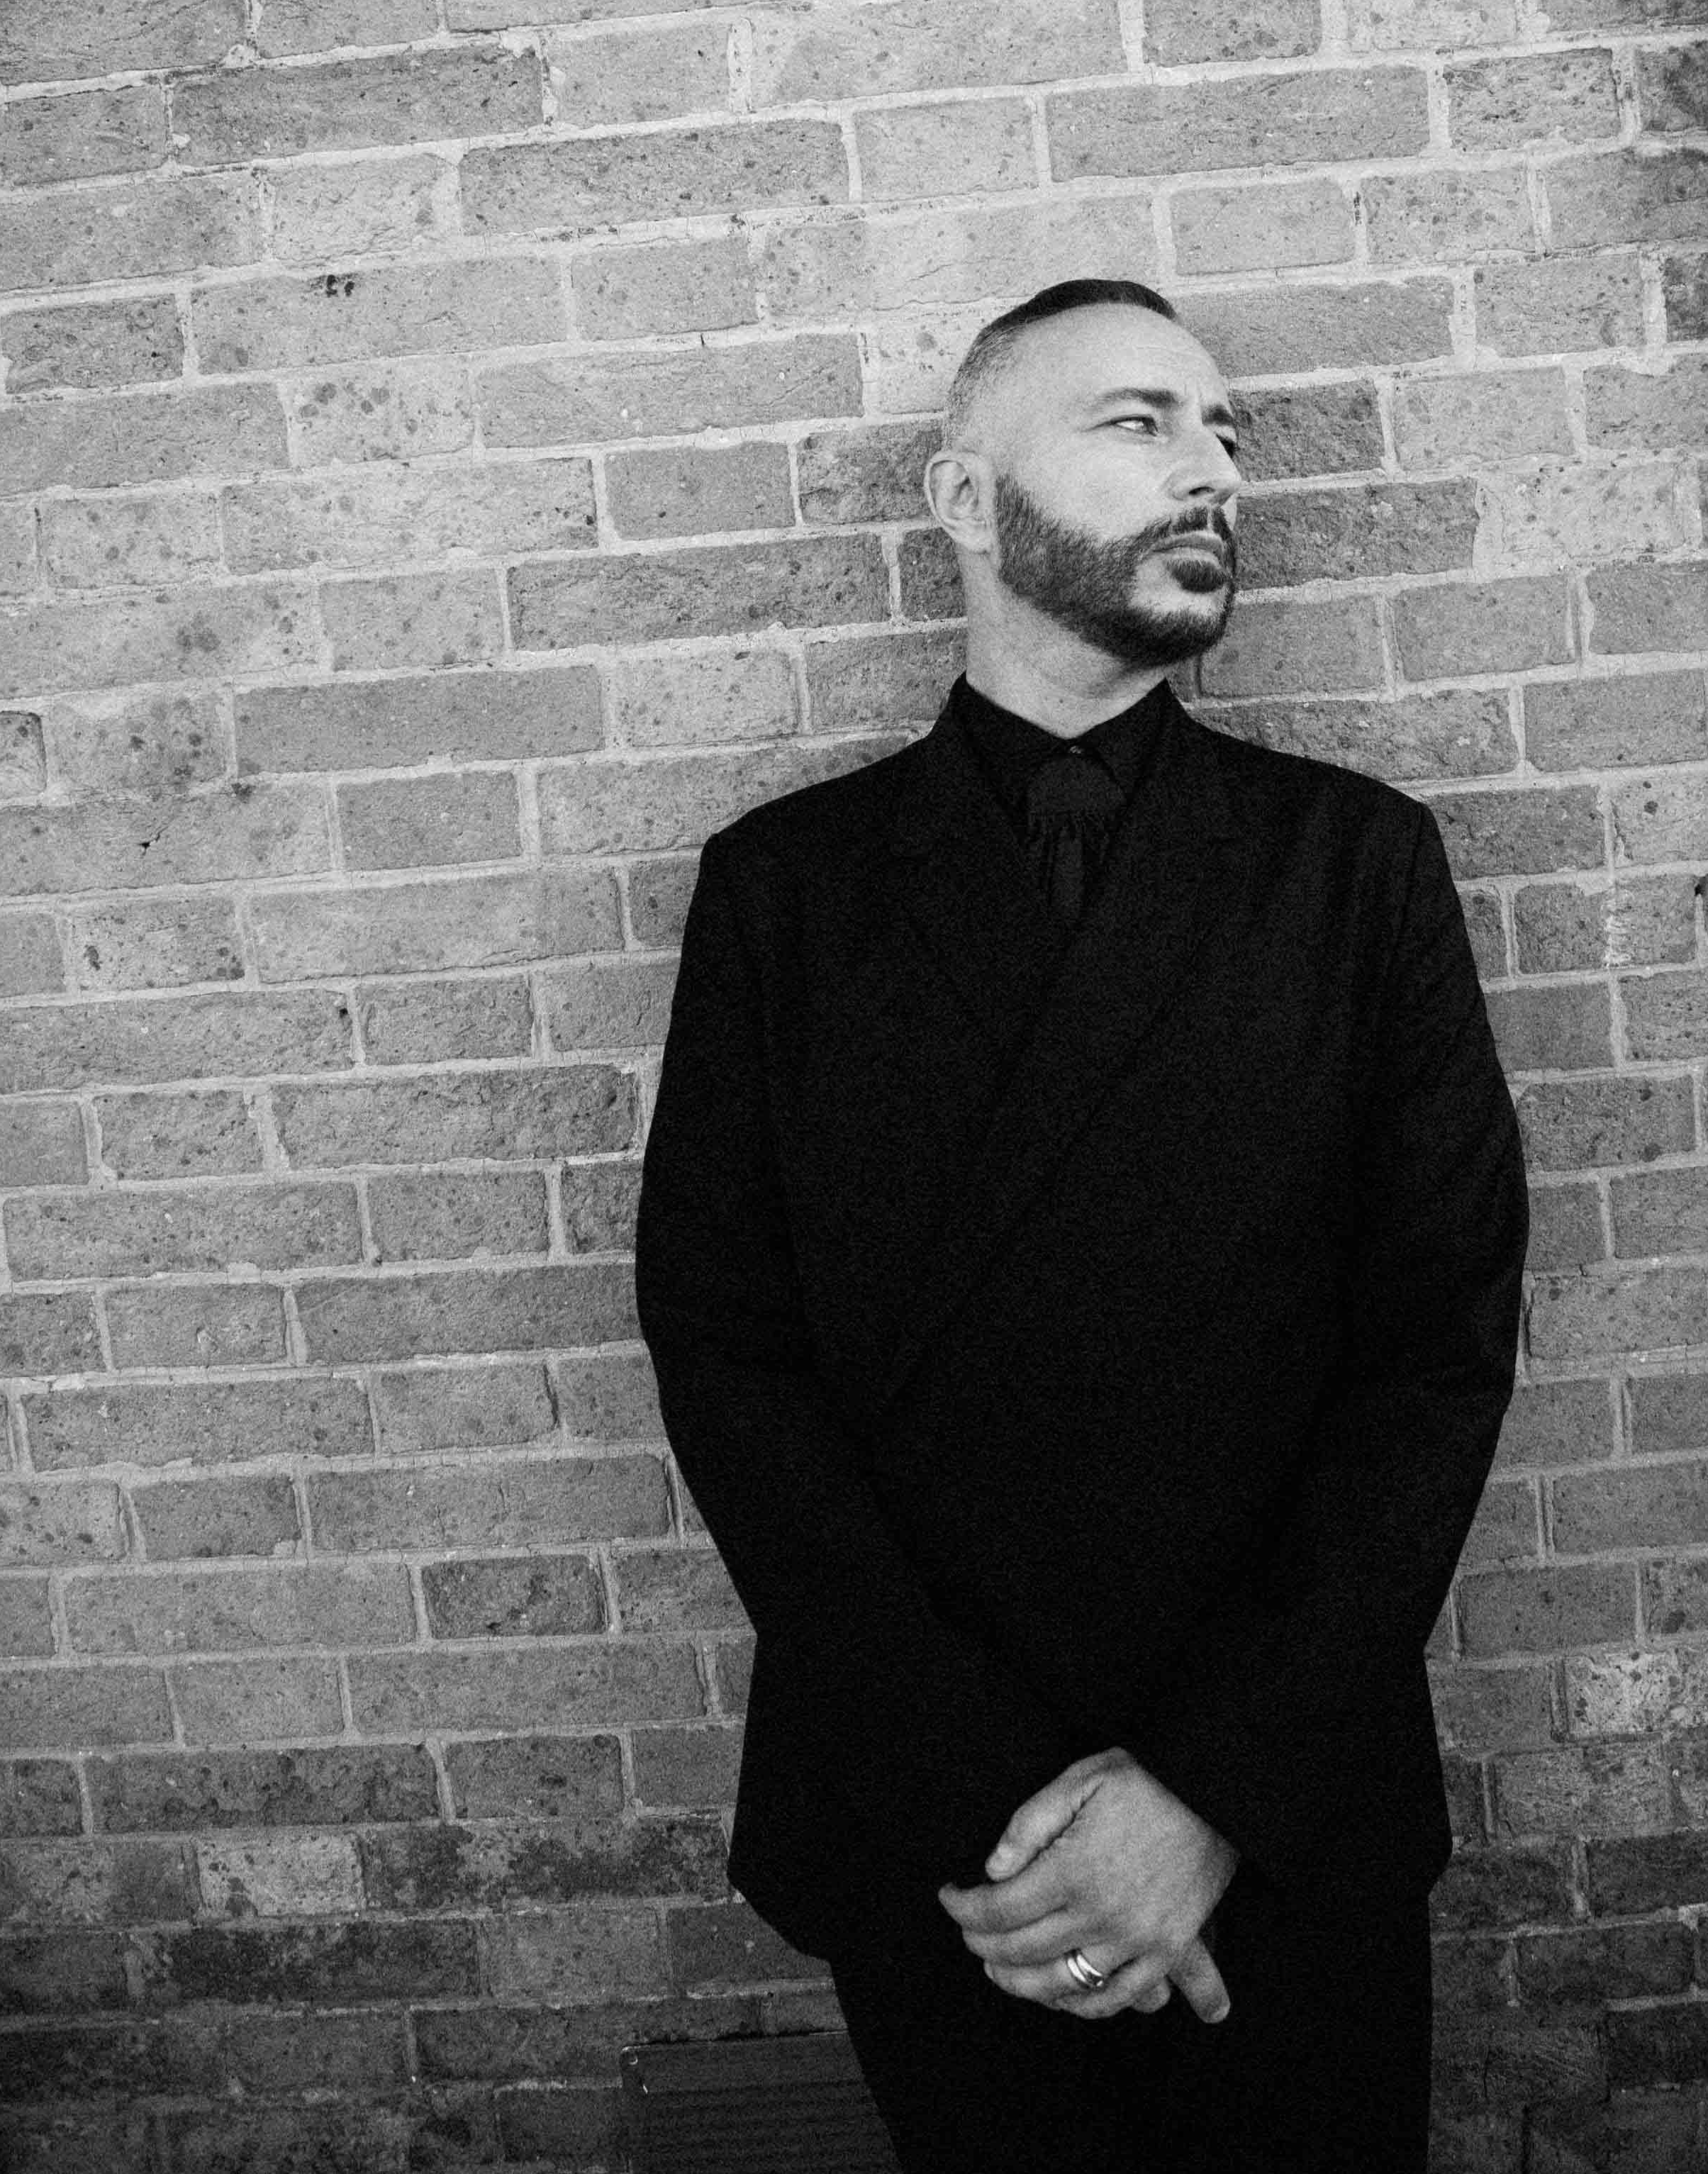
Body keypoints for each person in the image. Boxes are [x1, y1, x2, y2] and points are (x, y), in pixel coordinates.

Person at [633, 277, 1529, 2172]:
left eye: (1227, 433)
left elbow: (1435, 1354)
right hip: (948, 1836)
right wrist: (1004, 1807)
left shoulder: (1355, 867)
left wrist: (1207, 1792)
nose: (1213, 471)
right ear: (965, 499)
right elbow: (729, 1357)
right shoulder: (785, 897)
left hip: (1281, 1812)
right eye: (1140, 421)